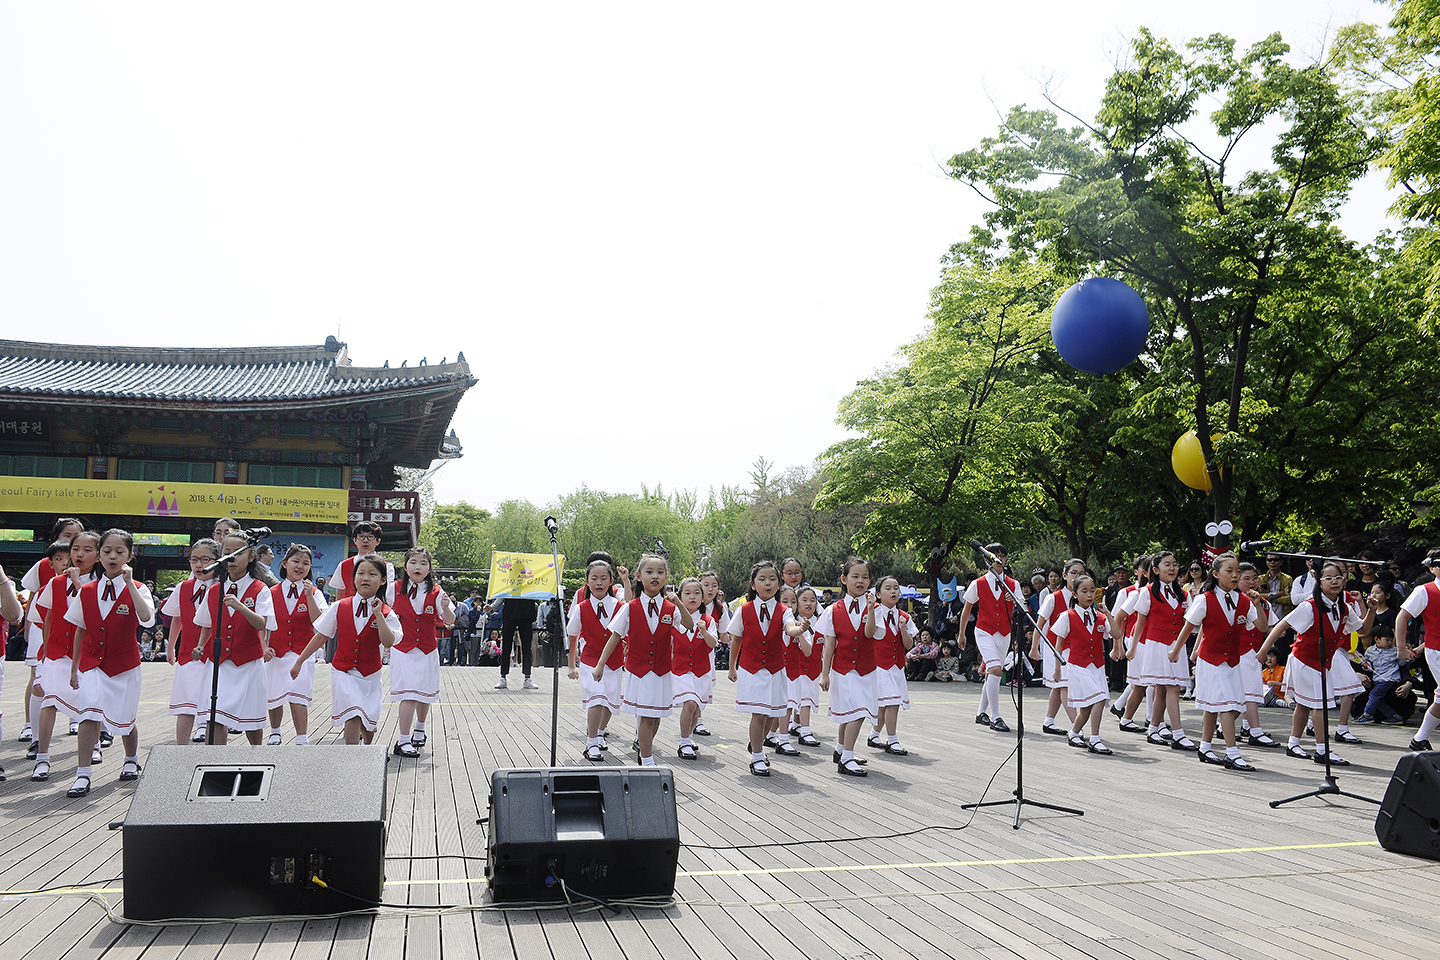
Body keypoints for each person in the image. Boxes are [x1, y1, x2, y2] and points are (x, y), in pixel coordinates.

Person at [63, 529, 154, 796]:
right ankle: (83, 774)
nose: (113, 556)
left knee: (125, 718)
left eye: (119, 551)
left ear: (130, 555)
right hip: (92, 663)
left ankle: (130, 760)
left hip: (125, 664)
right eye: (106, 551)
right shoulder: (88, 590)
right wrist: (74, 667)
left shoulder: (138, 589)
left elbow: (147, 618)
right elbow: (80, 628)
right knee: (89, 711)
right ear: (100, 554)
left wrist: (129, 584)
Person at [1258, 560, 1373, 764]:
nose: (1334, 582)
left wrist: (1371, 609)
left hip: (1322, 661)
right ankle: (1322, 750)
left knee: (1304, 704)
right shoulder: (1309, 606)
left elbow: (1363, 630)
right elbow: (1282, 625)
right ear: (1319, 582)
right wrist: (1263, 650)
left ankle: (1293, 743)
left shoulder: (1343, 607)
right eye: (1328, 578)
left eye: (1338, 577)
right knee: (1320, 704)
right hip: (1304, 660)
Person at [591, 553, 688, 767]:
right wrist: (600, 664)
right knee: (645, 715)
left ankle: (645, 751)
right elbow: (615, 636)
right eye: (649, 572)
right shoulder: (630, 607)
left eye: (660, 572)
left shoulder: (671, 609)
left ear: (665, 577)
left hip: (662, 671)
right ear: (639, 576)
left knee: (655, 718)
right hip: (639, 670)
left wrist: (679, 602)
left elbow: (688, 625)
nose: (655, 576)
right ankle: (647, 759)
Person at [293, 556, 398, 744]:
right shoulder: (339, 606)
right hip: (343, 670)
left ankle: (368, 744)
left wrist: (379, 616)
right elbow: (321, 635)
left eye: (372, 574)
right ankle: (351, 759)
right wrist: (300, 661)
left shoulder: (386, 612)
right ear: (354, 578)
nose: (365, 578)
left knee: (368, 722)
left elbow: (389, 641)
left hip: (370, 674)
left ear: (383, 580)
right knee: (353, 713)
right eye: (361, 573)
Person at [1169, 553, 1257, 772]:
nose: (1235, 575)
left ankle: (1205, 747)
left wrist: (1258, 604)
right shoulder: (1204, 599)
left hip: (1232, 660)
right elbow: (1188, 626)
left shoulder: (1243, 600)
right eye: (1230, 571)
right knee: (1226, 704)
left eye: (1238, 571)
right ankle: (1232, 753)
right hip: (1211, 659)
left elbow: (1260, 627)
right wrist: (1176, 650)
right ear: (1216, 574)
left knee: (1215, 705)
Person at [193, 534, 278, 745]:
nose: (230, 558)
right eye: (226, 553)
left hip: (247, 662)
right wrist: (201, 646)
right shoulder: (214, 590)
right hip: (218, 663)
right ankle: (214, 764)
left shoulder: (261, 589)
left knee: (252, 719)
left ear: (251, 557)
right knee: (215, 714)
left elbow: (262, 623)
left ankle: (256, 759)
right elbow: (207, 622)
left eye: (237, 553)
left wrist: (241, 606)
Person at [28, 531, 100, 781]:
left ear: (99, 555)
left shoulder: (101, 585)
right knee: (49, 700)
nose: (80, 554)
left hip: (88, 654)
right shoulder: (56, 583)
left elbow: (93, 611)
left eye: (87, 550)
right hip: (58, 652)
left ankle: (94, 747)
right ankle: (42, 757)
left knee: (89, 704)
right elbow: (46, 616)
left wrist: (79, 582)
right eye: (76, 549)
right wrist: (47, 650)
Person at [727, 560, 793, 776]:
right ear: (753, 585)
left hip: (775, 668)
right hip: (751, 667)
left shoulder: (784, 610)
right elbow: (735, 639)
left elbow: (790, 629)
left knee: (772, 714)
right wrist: (732, 667)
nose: (768, 583)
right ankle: (757, 756)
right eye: (762, 579)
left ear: (779, 583)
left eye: (772, 579)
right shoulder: (743, 609)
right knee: (759, 713)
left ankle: (757, 744)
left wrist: (799, 629)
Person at [1126, 551, 1197, 751]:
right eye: (1167, 565)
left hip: (1176, 645)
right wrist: (1132, 648)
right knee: (1171, 687)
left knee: (1162, 689)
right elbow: (1140, 623)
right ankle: (1178, 733)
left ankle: (1153, 728)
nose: (1172, 568)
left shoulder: (1183, 594)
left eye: (1175, 564)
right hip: (1156, 645)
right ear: (1155, 570)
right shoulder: (1147, 592)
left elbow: (1189, 621)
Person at [389, 546, 454, 756]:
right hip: (404, 649)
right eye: (413, 562)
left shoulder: (437, 592)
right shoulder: (393, 588)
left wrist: (444, 607)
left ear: (429, 568)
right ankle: (403, 740)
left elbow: (450, 620)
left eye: (423, 563)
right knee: (409, 693)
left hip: (427, 649)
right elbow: (381, 611)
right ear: (406, 566)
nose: (418, 566)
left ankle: (420, 728)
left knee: (424, 692)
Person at [818, 557, 876, 778]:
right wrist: (825, 674)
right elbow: (830, 643)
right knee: (854, 712)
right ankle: (847, 758)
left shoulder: (875, 606)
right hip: (842, 669)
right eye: (855, 576)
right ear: (844, 579)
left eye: (864, 577)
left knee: (855, 710)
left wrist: (870, 610)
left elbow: (870, 633)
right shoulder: (833, 609)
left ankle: (842, 750)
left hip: (866, 668)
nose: (860, 581)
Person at [265, 544, 326, 745]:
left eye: (305, 563)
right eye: (296, 561)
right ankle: (275, 732)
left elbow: (320, 623)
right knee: (274, 693)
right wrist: (263, 646)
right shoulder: (270, 592)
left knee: (299, 693)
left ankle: (302, 737)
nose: (300, 566)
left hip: (302, 652)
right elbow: (261, 622)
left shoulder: (315, 593)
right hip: (276, 651)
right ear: (284, 563)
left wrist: (309, 596)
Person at [162, 538, 221, 745]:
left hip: (217, 657)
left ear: (218, 561)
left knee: (214, 707)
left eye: (206, 559)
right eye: (194, 559)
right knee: (184, 705)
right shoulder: (183, 587)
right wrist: (170, 647)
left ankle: (211, 752)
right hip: (188, 655)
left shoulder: (224, 588)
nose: (199, 565)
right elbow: (176, 618)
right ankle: (181, 750)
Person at [567, 559, 624, 760]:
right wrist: (571, 664)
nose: (599, 583)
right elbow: (572, 635)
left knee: (609, 701)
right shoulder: (581, 608)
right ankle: (591, 742)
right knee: (597, 698)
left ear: (611, 582)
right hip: (591, 661)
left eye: (603, 578)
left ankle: (600, 732)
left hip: (615, 662)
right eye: (594, 578)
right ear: (587, 582)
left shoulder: (619, 606)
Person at [19, 538, 74, 745]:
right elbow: (41, 620)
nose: (66, 563)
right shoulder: (48, 587)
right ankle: (36, 740)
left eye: (70, 557)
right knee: (39, 687)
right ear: (50, 562)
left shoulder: (89, 585)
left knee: (87, 693)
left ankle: (93, 743)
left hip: (82, 651)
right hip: (54, 649)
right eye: (60, 559)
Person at [1051, 574, 1113, 755]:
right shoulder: (1067, 616)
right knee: (1099, 698)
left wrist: (1107, 613)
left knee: (1085, 708)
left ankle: (1074, 732)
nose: (1089, 595)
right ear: (1075, 595)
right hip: (1078, 665)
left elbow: (1116, 634)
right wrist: (1057, 669)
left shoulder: (1101, 617)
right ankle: (1095, 739)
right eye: (1084, 591)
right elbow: (1059, 644)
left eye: (1092, 590)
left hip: (1098, 666)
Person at [959, 543, 1018, 734]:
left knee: (994, 672)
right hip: (984, 631)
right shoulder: (978, 583)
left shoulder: (1013, 584)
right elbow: (967, 610)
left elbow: (1021, 609)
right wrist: (961, 634)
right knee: (994, 669)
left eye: (1003, 555)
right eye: (995, 555)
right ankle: (996, 716)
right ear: (986, 559)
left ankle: (980, 713)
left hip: (1005, 633)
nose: (999, 559)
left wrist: (1014, 602)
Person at [1033, 558, 1086, 735]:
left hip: (1075, 648)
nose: (1077, 576)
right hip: (1056, 648)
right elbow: (1039, 624)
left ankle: (1049, 721)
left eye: (1081, 573)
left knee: (1058, 686)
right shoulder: (1053, 598)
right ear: (1065, 575)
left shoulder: (1083, 599)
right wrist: (1034, 648)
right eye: (1073, 573)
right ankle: (1076, 725)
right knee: (1065, 685)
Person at [867, 575, 918, 756]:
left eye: (896, 588)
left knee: (885, 703)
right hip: (879, 665)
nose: (893, 591)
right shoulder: (873, 612)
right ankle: (892, 740)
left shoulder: (904, 616)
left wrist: (903, 628)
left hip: (896, 666)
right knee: (892, 702)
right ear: (879, 594)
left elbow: (908, 645)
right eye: (888, 588)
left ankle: (874, 735)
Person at [1396, 556, 1440, 751]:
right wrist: (1401, 647)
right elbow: (1402, 616)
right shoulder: (1424, 590)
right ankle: (1419, 738)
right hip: (1437, 649)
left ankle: (1420, 738)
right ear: (1432, 569)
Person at [670, 576, 717, 760]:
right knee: (689, 703)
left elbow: (713, 643)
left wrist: (704, 631)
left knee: (696, 708)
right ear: (680, 597)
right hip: (681, 670)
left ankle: (689, 738)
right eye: (687, 593)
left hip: (702, 671)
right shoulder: (674, 619)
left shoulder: (708, 620)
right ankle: (684, 741)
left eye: (697, 593)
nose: (692, 597)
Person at [785, 586, 824, 746]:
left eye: (812, 600)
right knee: (803, 698)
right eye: (804, 600)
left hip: (814, 668)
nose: (809, 604)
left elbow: (827, 647)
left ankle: (796, 724)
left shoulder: (822, 623)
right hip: (797, 668)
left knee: (806, 697)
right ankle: (805, 731)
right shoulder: (792, 623)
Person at [696, 571, 729, 737]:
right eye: (706, 585)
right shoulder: (690, 603)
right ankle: (697, 721)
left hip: (708, 653)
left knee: (703, 688)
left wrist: (739, 638)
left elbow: (724, 635)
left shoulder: (720, 609)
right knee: (692, 688)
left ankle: (696, 720)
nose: (710, 589)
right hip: (689, 652)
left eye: (714, 586)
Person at [326, 521, 394, 601]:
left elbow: (388, 591)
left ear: (378, 541)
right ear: (355, 540)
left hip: (376, 609)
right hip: (349, 610)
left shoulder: (387, 566)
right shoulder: (343, 565)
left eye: (370, 537)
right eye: (361, 536)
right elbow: (340, 592)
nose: (365, 540)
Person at [1357, 625, 1407, 724]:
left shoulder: (1395, 651)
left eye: (1391, 640)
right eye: (1386, 640)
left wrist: (1407, 656)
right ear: (1377, 639)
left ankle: (1367, 715)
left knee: (1374, 695)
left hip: (1389, 679)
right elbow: (1369, 666)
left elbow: (1402, 663)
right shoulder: (1370, 651)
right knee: (1377, 700)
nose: (1389, 643)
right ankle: (1394, 716)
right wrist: (1365, 665)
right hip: (1378, 679)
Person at [495, 594, 539, 690]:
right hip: (510, 613)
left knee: (527, 648)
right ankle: (503, 677)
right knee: (506, 648)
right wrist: (493, 607)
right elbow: (504, 592)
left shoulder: (530, 580)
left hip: (526, 614)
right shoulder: (510, 580)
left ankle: (527, 677)